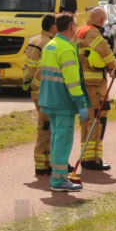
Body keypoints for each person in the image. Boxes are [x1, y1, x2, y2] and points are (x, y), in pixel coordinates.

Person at [39, 12, 91, 192]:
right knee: (63, 140)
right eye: (75, 24)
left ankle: (58, 177)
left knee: (56, 139)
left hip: (50, 101)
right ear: (71, 27)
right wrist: (81, 103)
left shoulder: (50, 45)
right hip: (63, 103)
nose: (76, 27)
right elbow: (72, 81)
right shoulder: (66, 48)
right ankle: (59, 180)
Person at [76, 7, 116, 170]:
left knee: (88, 121)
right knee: (97, 119)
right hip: (94, 83)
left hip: (85, 81)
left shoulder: (80, 31)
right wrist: (113, 68)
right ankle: (93, 159)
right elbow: (105, 51)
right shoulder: (93, 33)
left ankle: (87, 157)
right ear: (101, 20)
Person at [24, 14, 57, 175]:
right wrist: (36, 85)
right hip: (44, 92)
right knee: (46, 128)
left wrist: (27, 84)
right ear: (53, 27)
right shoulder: (48, 43)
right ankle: (41, 164)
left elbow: (26, 65)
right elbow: (42, 69)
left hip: (37, 92)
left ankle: (47, 161)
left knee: (46, 126)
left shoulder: (34, 40)